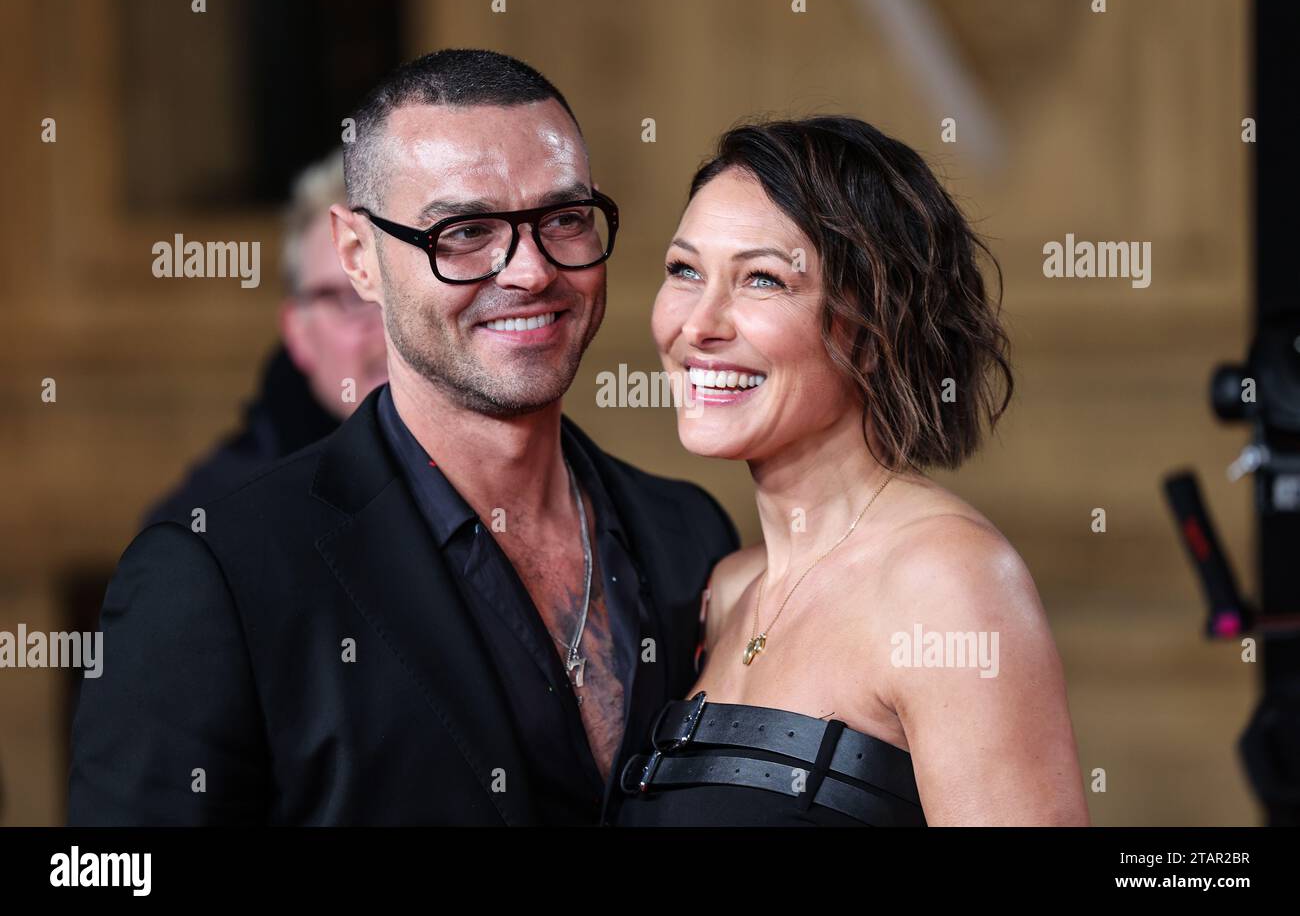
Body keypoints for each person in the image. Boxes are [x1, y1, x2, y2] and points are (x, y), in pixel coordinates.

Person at [68, 49, 738, 825]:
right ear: (359, 258)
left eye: (563, 219)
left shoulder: (690, 532)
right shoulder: (216, 577)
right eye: (465, 231)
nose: (529, 271)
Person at [618, 117, 1090, 826]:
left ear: (872, 331)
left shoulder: (947, 580)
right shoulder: (727, 587)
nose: (699, 324)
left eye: (762, 280)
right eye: (685, 270)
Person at [142, 151, 387, 527]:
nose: (388, 321)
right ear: (298, 333)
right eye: (352, 297)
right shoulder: (215, 523)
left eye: (399, 291)